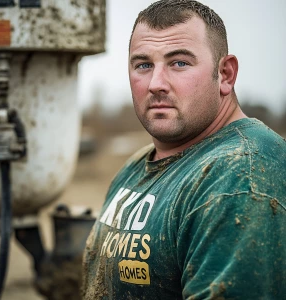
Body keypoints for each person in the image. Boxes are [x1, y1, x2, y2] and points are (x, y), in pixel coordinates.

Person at [81, 0, 286, 299]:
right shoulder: (140, 163)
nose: (156, 83)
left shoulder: (240, 177)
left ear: (226, 75)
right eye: (143, 65)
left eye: (179, 63)